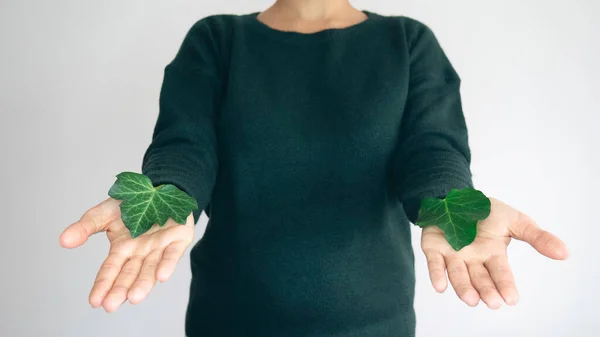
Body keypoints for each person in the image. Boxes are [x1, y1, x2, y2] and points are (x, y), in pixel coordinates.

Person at [58, 0, 569, 336]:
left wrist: (450, 202)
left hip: (375, 321)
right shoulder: (216, 40)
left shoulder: (407, 44)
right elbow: (184, 144)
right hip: (232, 317)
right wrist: (165, 194)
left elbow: (432, 149)